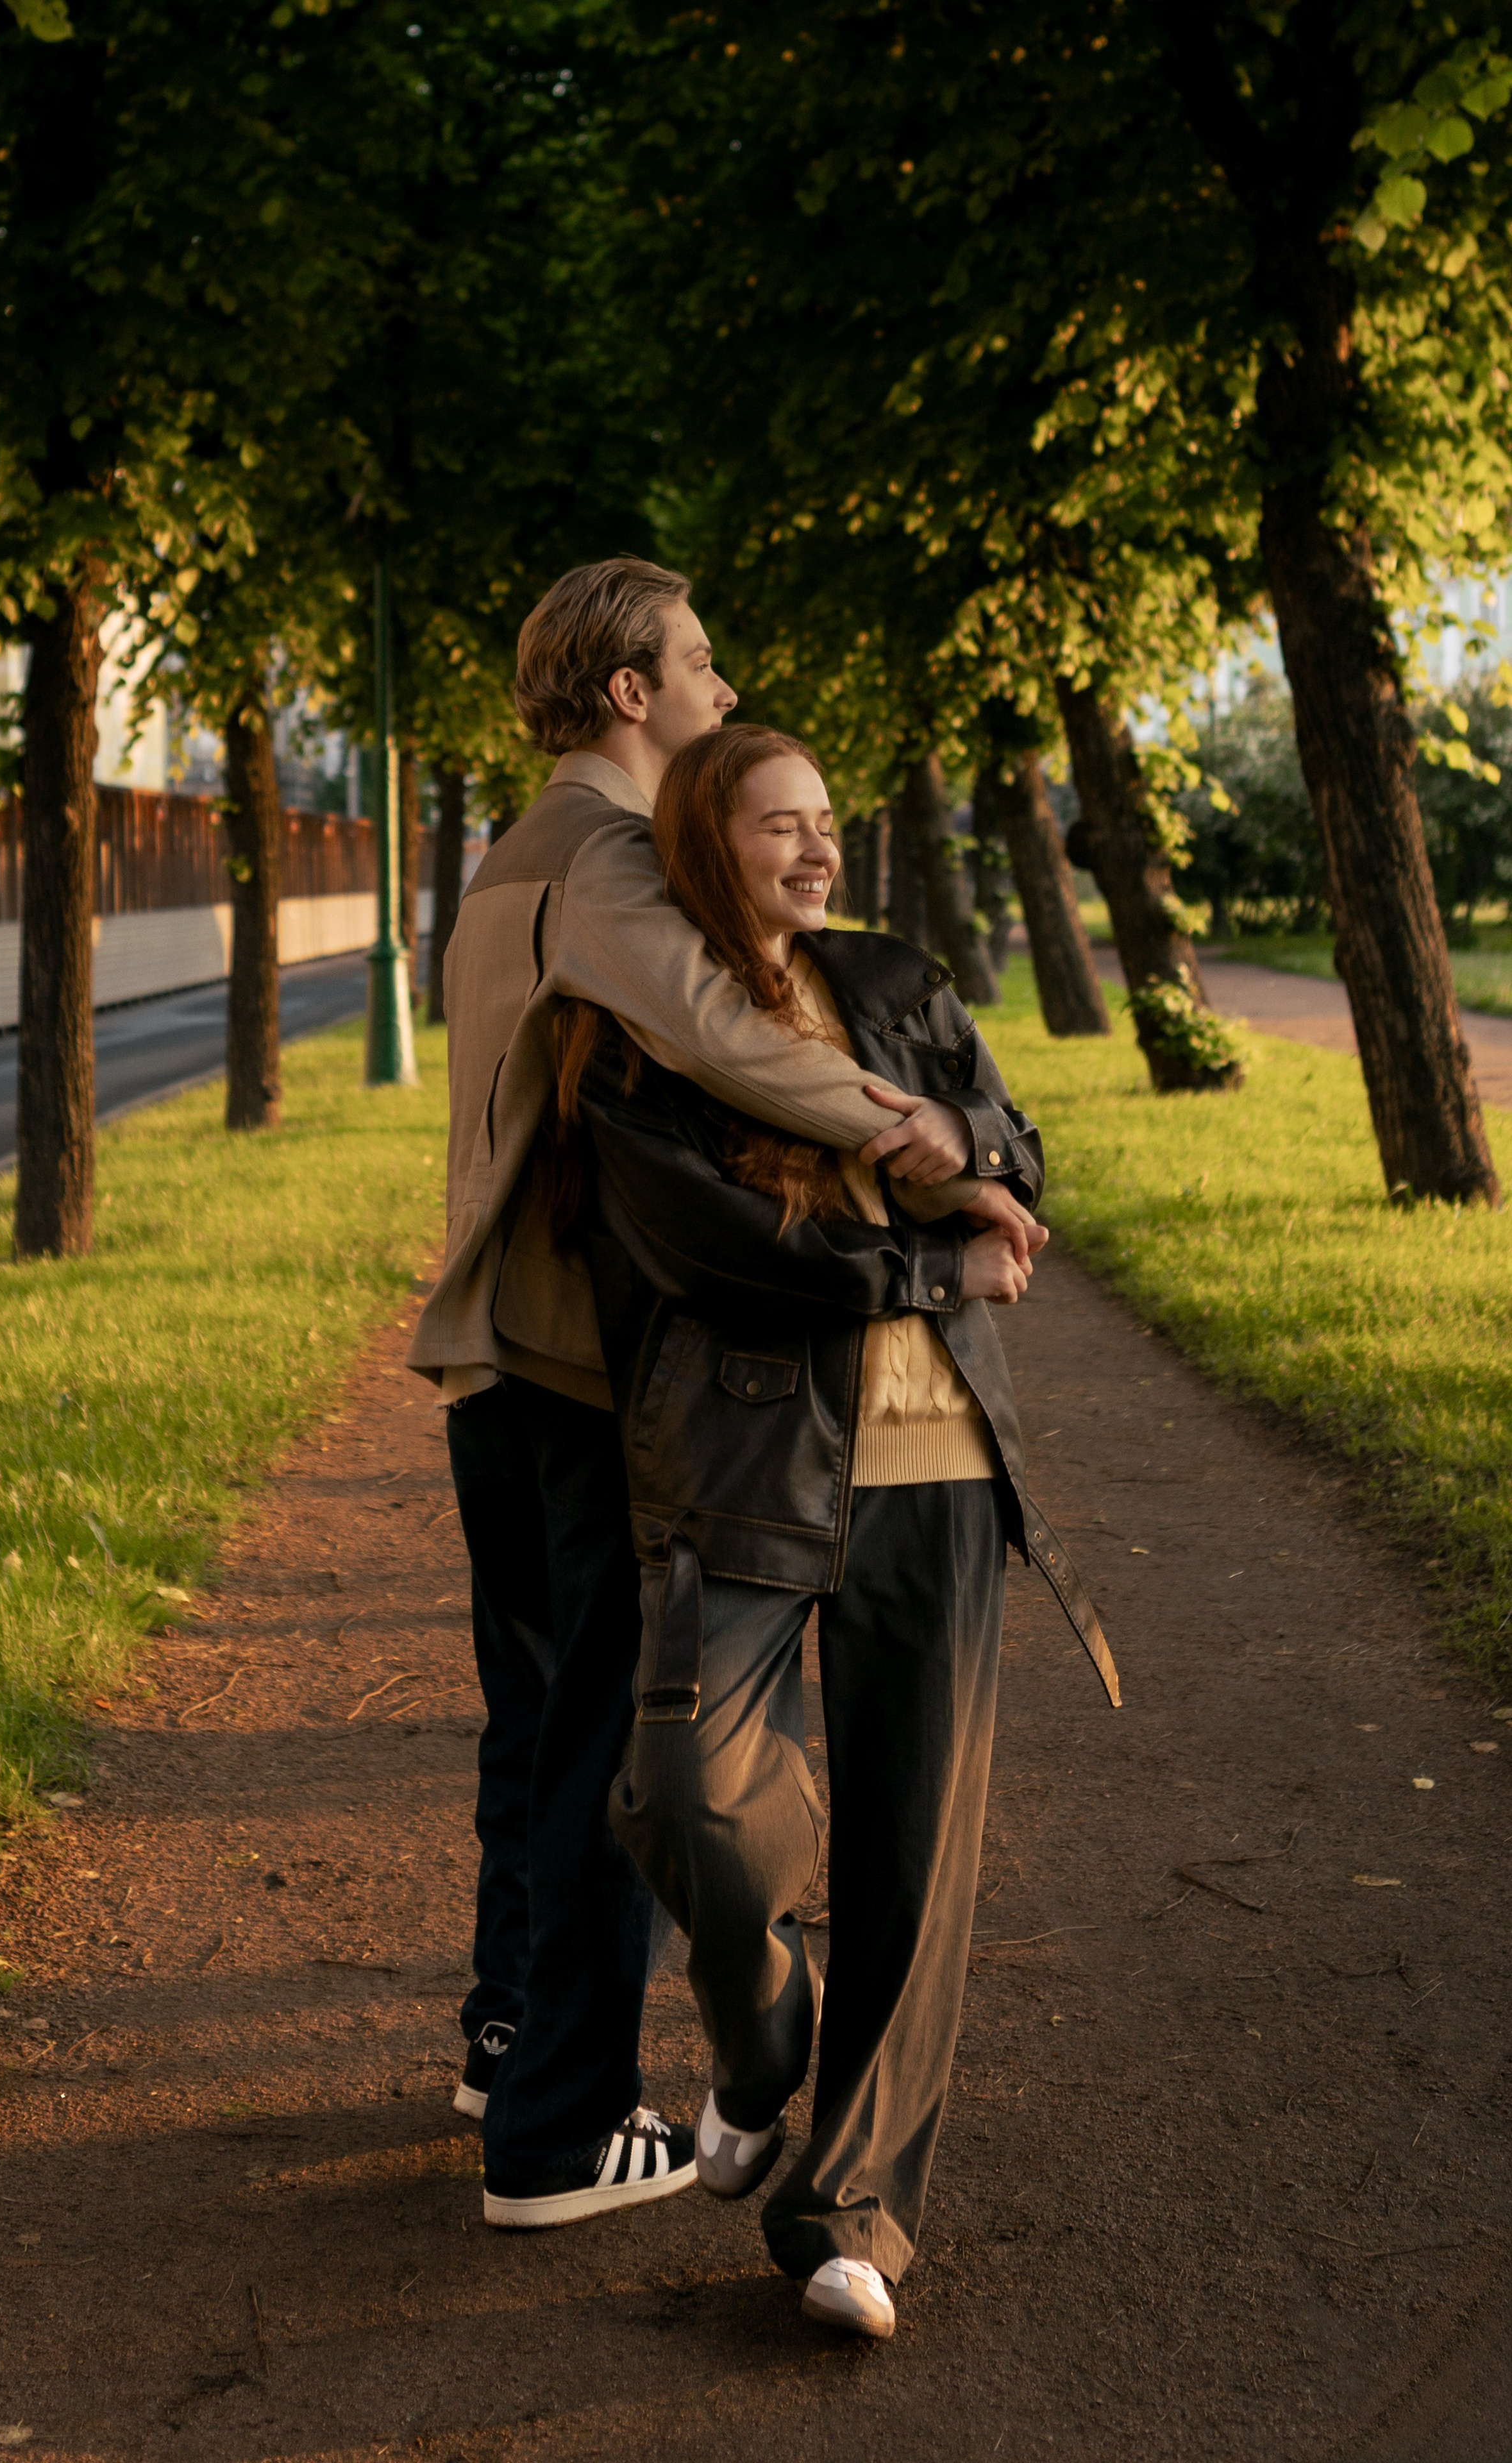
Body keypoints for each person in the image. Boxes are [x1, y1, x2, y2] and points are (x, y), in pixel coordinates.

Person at [411, 557, 1041, 2229]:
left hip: (497, 1354)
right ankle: (558, 2121)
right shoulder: (611, 851)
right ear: (629, 691)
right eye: (695, 661)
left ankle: (510, 2042)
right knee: (617, 1745)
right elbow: (721, 1037)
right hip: (571, 1357)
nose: (713, 679)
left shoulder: (509, 853)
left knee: (539, 1723)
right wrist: (922, 1141)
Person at [551, 723, 1116, 2335]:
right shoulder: (646, 1027)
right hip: (736, 1460)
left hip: (936, 1459)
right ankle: (755, 2036)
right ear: (697, 846)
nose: (812, 851)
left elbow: (1014, 1157)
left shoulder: (893, 981)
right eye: (772, 826)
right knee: (690, 1805)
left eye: (822, 822)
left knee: (913, 1840)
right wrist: (932, 1264)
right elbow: (708, 1245)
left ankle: (851, 2210)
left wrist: (970, 1150)